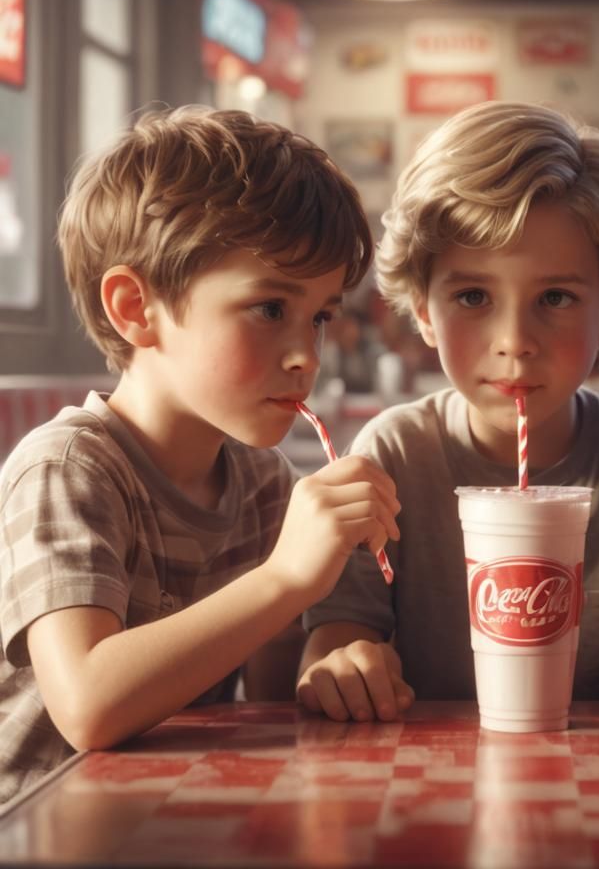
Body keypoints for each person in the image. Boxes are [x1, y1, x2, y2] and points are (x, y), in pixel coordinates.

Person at [0, 107, 400, 805]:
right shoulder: (69, 468)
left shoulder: (264, 484)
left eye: (320, 316)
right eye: (270, 309)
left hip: (165, 815)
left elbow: (270, 706)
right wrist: (286, 578)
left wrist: (333, 672)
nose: (307, 356)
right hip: (38, 826)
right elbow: (88, 705)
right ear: (135, 308)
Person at [298, 100, 599, 721]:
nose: (514, 341)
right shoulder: (393, 455)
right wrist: (345, 668)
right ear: (424, 311)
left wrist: (593, 748)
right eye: (472, 296)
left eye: (554, 297)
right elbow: (339, 635)